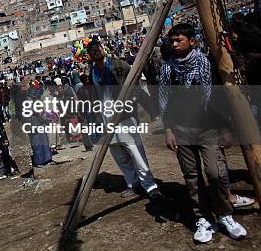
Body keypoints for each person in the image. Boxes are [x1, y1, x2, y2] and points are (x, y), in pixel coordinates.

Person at [159, 23, 247, 243]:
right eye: (172, 40)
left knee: (216, 173)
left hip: (207, 128)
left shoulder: (206, 64)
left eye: (179, 40)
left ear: (192, 41)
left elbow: (217, 98)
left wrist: (224, 127)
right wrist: (168, 130)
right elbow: (164, 101)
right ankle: (204, 218)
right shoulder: (167, 69)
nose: (175, 44)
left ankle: (225, 215)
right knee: (192, 177)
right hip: (181, 130)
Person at [86, 40, 162, 201]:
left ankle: (150, 186)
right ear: (89, 55)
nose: (95, 51)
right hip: (106, 119)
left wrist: (149, 108)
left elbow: (135, 85)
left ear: (103, 48)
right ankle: (133, 184)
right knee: (119, 153)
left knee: (135, 151)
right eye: (92, 50)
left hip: (124, 116)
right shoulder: (92, 73)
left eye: (97, 48)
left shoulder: (118, 65)